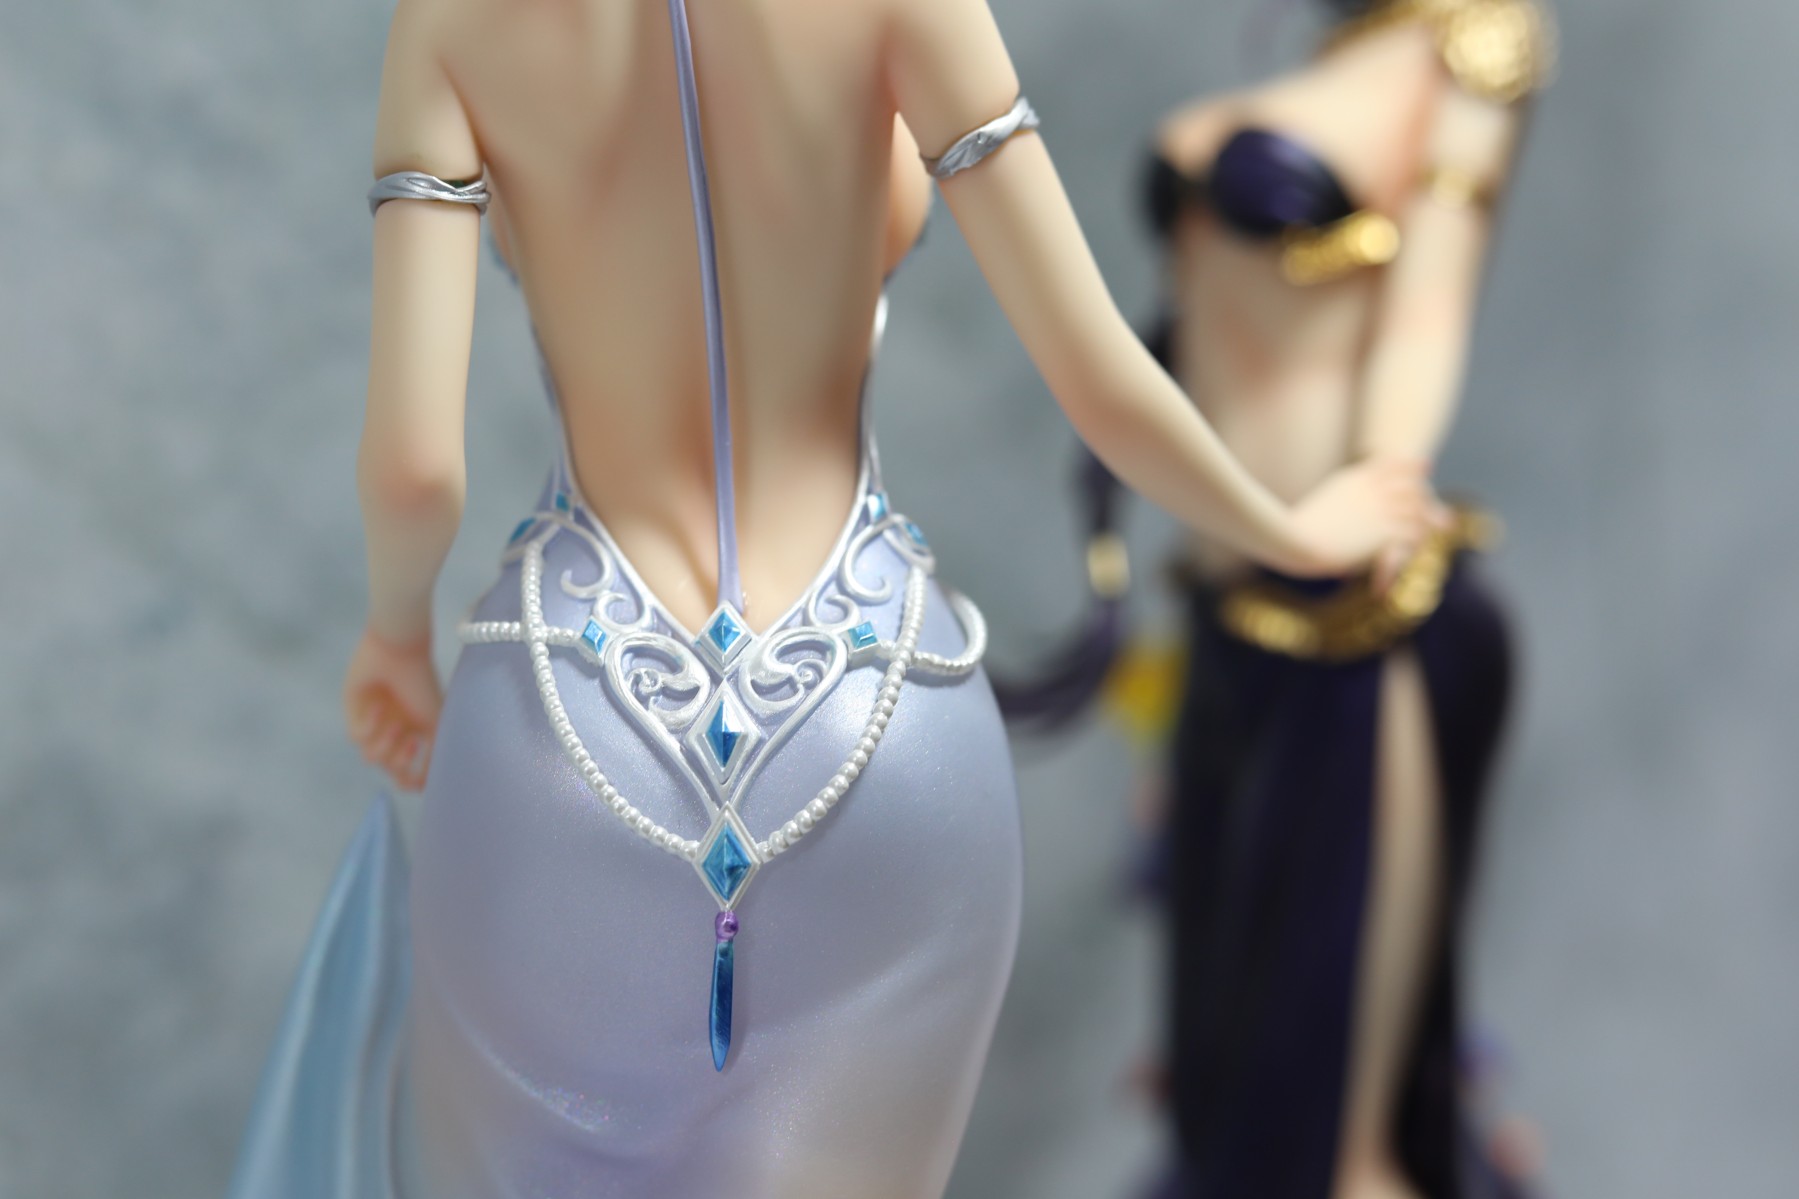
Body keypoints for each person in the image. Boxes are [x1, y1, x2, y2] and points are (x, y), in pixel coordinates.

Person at [226, 0, 1429, 1194]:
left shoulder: (449, 22)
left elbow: (413, 470)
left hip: (564, 705)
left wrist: (395, 636)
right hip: (874, 707)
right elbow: (1095, 375)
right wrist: (1287, 530)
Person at [1136, 1, 1553, 1196]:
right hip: (1226, 616)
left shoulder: (1476, 42)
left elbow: (1428, 302)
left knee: (1327, 1127)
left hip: (1351, 626)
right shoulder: (1345, 57)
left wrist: (1385, 474)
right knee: (1218, 1086)